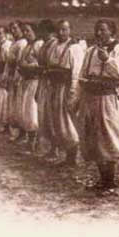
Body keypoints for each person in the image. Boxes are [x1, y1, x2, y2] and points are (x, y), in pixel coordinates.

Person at [78, 19, 119, 192]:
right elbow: (82, 73)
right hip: (91, 96)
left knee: (109, 136)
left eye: (102, 30)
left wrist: (108, 60)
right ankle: (102, 178)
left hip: (108, 99)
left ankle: (110, 180)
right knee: (94, 137)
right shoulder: (90, 51)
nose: (99, 33)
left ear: (112, 32)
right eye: (97, 30)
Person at [46, 20, 85, 166]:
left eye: (64, 30)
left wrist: (73, 93)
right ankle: (65, 154)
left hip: (66, 86)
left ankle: (72, 155)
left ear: (70, 30)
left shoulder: (75, 48)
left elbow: (76, 72)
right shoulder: (54, 46)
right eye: (59, 30)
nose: (61, 33)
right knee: (58, 121)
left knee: (67, 121)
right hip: (56, 86)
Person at [17, 22, 44, 151]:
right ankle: (30, 139)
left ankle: (36, 141)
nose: (26, 34)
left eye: (28, 31)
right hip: (26, 81)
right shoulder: (27, 46)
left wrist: (29, 66)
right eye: (25, 31)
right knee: (26, 111)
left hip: (35, 81)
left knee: (33, 112)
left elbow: (41, 65)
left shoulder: (39, 45)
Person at [35, 19, 58, 157]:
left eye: (41, 30)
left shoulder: (54, 44)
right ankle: (49, 146)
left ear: (48, 31)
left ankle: (55, 148)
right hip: (43, 81)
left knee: (51, 115)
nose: (39, 33)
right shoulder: (44, 45)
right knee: (43, 115)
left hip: (52, 82)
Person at [4, 21, 28, 140]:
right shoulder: (14, 43)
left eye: (15, 28)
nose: (13, 31)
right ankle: (17, 131)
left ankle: (23, 133)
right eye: (11, 29)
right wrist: (6, 76)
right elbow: (9, 62)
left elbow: (19, 63)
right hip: (11, 75)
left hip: (19, 77)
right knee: (13, 105)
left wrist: (17, 78)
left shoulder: (23, 43)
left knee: (20, 105)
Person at [0, 25, 12, 132]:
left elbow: (9, 63)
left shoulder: (8, 45)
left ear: (5, 34)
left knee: (5, 99)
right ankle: (1, 124)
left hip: (5, 74)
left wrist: (6, 76)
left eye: (0, 33)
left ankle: (7, 125)